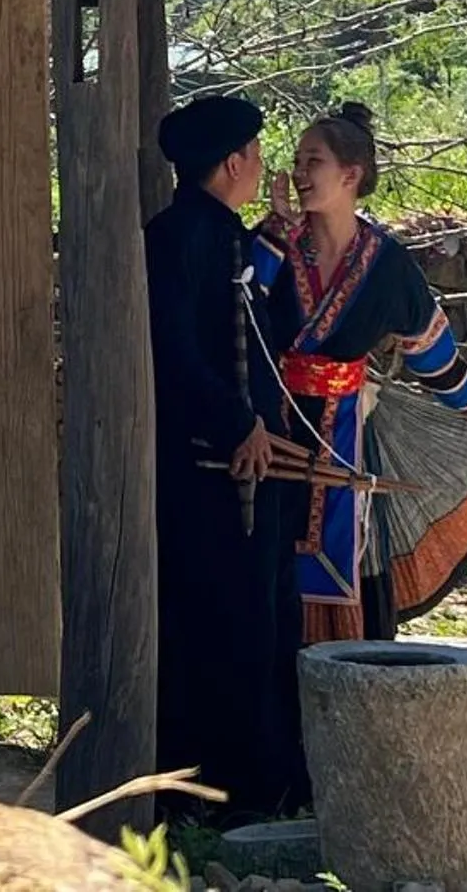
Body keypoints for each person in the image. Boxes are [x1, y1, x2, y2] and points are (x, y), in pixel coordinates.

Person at [247, 104, 467, 662]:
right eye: (297, 160)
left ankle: (342, 687)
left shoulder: (387, 264)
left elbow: (428, 345)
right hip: (267, 426)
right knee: (265, 550)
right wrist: (275, 233)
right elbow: (239, 307)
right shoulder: (278, 245)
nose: (300, 173)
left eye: (315, 161)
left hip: (343, 433)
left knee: (340, 549)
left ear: (351, 175)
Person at [144, 92, 296, 821]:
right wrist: (240, 423)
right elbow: (175, 352)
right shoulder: (190, 242)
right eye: (257, 156)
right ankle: (237, 788)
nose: (260, 166)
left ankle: (220, 782)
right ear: (233, 162)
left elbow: (263, 333)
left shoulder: (201, 236)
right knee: (233, 622)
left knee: (230, 617)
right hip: (217, 465)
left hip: (229, 458)